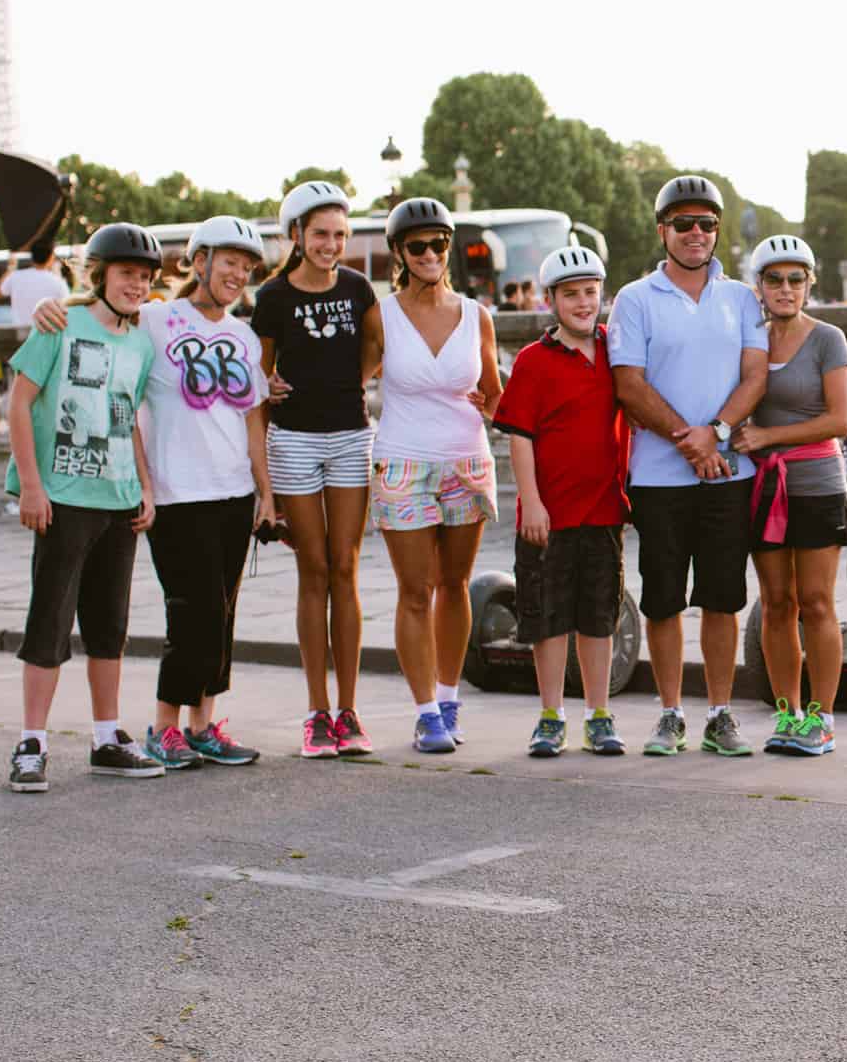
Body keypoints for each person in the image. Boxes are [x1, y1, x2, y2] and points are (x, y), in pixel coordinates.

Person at [29, 216, 275, 770]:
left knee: (224, 613)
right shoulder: (159, 319)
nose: (238, 274)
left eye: (247, 266)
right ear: (199, 262)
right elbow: (101, 310)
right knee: (192, 612)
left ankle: (203, 725)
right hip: (175, 491)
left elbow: (254, 420)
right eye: (229, 262)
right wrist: (51, 308)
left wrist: (266, 492)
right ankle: (164, 726)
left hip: (234, 490)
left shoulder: (242, 334)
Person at [608, 175, 767, 757]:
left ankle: (720, 713)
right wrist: (689, 442)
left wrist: (717, 434)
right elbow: (629, 383)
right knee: (664, 598)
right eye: (683, 224)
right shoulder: (634, 298)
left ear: (717, 230)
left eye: (706, 223)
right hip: (658, 475)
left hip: (727, 472)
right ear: (663, 231)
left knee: (724, 597)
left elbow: (755, 375)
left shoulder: (742, 298)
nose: (696, 233)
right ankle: (672, 713)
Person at [2, 224, 163, 792]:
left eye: (145, 278)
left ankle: (105, 738)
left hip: (119, 500)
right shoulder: (59, 323)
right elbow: (20, 404)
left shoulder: (140, 344)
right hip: (63, 497)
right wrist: (30, 485)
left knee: (108, 627)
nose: (136, 286)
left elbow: (130, 418)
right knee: (49, 621)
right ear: (100, 274)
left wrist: (144, 486)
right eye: (126, 275)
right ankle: (31, 743)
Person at [366, 197, 502, 753]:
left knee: (454, 586)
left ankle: (448, 699)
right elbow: (348, 384)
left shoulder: (477, 316)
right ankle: (424, 713)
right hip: (402, 461)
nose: (430, 254)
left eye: (439, 244)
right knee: (416, 591)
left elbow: (495, 396)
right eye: (417, 245)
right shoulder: (382, 315)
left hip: (466, 461)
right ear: (399, 251)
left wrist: (499, 411)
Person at [250, 181, 378, 759]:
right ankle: (315, 712)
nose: (331, 244)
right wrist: (269, 384)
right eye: (321, 234)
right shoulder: (273, 296)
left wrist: (357, 379)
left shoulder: (357, 287)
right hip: (295, 440)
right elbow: (258, 372)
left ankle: (348, 711)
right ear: (296, 235)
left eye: (340, 235)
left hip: (350, 436)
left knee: (347, 568)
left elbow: (375, 344)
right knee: (315, 569)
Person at [492, 244, 630, 757]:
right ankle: (551, 714)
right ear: (550, 300)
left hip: (603, 508)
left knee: (598, 616)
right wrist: (531, 502)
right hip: (547, 515)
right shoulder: (533, 362)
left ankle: (599, 713)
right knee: (547, 618)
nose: (582, 303)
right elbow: (519, 435)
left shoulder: (617, 351)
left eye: (590, 293)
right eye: (570, 295)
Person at [730, 236, 847, 756]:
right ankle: (788, 714)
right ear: (757, 286)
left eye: (795, 278)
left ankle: (822, 719)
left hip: (818, 482)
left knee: (817, 602)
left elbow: (840, 420)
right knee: (776, 603)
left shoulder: (828, 338)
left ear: (810, 283)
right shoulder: (747, 339)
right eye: (774, 279)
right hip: (765, 489)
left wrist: (767, 437)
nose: (785, 288)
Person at [0, 248, 69, 328]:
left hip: (20, 334)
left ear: (32, 257)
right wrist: (57, 274)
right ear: (51, 257)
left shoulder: (15, 276)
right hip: (45, 334)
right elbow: (67, 306)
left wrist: (11, 268)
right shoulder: (58, 281)